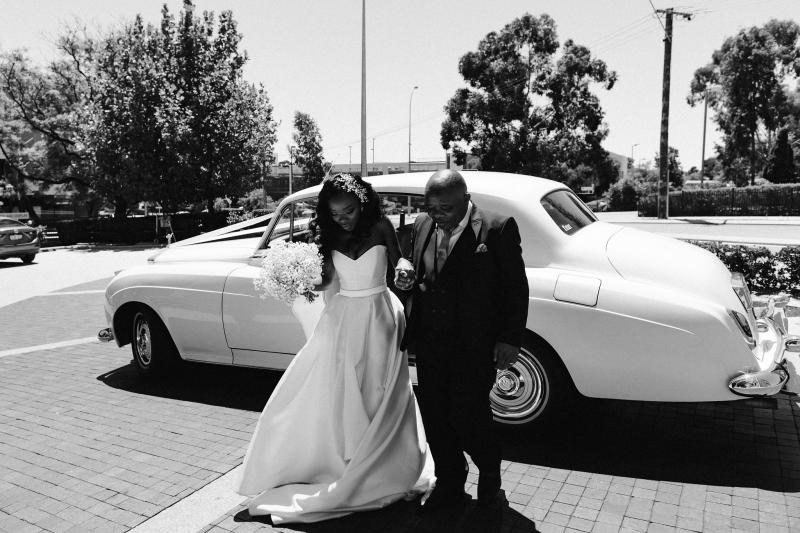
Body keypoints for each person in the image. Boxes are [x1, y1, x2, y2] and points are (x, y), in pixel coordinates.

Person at [236, 173, 433, 524]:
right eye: (336, 213)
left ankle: (387, 465)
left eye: (350, 210)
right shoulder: (326, 236)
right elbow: (327, 281)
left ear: (363, 203)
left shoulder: (381, 226)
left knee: (380, 391)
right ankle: (350, 460)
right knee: (345, 390)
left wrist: (404, 268)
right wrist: (298, 277)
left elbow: (399, 264)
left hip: (380, 317)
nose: (344, 218)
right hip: (343, 319)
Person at [402, 169, 529, 512]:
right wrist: (407, 272)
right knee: (436, 416)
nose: (436, 214)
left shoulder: (498, 228)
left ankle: (490, 481)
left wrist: (510, 339)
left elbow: (515, 289)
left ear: (466, 200)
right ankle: (450, 481)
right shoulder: (422, 224)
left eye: (444, 207)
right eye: (431, 207)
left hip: (474, 345)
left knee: (469, 416)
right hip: (431, 343)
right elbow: (420, 270)